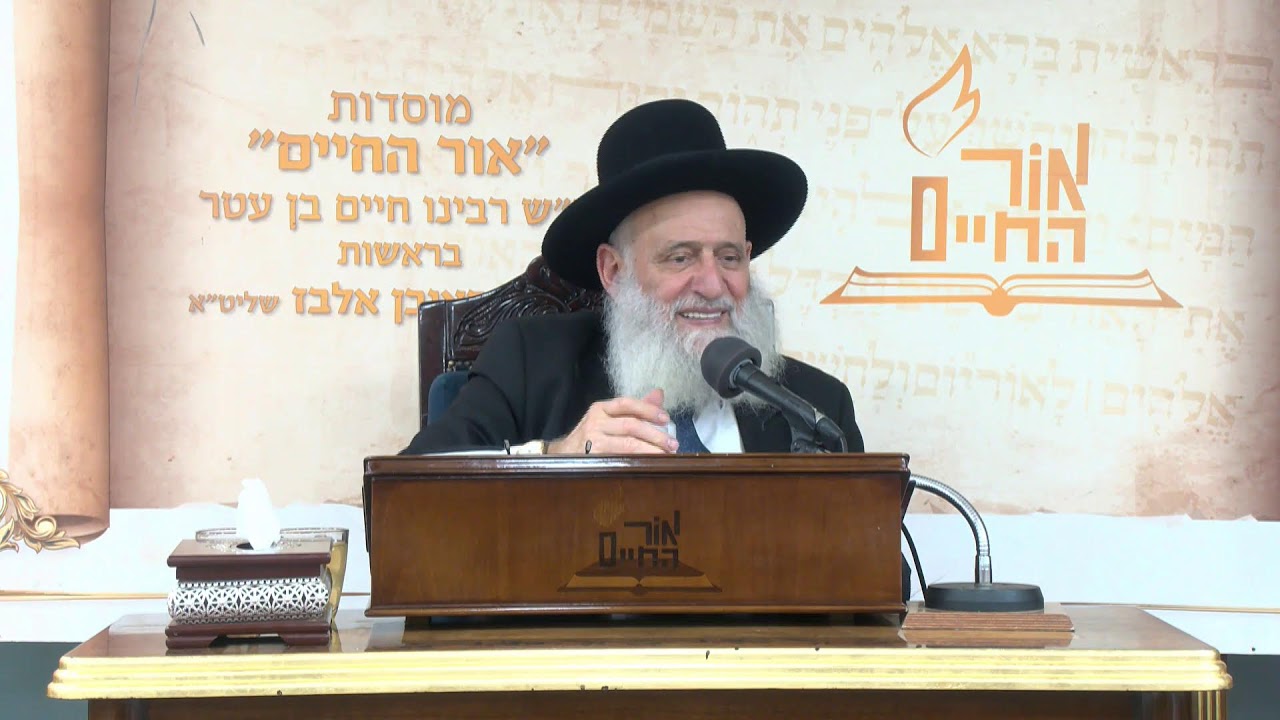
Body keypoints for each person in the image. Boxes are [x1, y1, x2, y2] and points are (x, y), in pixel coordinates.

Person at [400, 98, 865, 457]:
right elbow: (408, 498)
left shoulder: (818, 409)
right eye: (680, 258)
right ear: (614, 272)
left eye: (728, 258)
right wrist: (554, 456)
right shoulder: (530, 364)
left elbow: (870, 551)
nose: (711, 285)